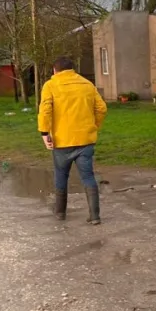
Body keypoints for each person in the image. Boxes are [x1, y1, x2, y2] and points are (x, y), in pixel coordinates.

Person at [38, 57, 108, 225]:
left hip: (62, 141)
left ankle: (60, 213)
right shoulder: (87, 84)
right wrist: (93, 126)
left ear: (55, 71)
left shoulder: (50, 85)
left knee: (61, 175)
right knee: (88, 176)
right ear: (73, 69)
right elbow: (101, 108)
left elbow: (46, 109)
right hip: (85, 140)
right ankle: (95, 216)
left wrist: (44, 132)